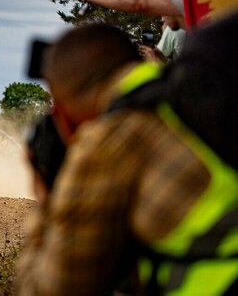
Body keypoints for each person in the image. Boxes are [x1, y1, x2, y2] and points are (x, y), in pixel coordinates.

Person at [13, 23, 238, 295]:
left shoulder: (108, 141)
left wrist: (46, 195)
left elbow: (52, 290)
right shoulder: (200, 88)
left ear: (63, 108)